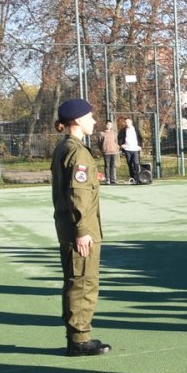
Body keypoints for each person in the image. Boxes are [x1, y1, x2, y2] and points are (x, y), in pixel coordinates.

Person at [50, 98, 110, 356]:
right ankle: (79, 340)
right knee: (83, 283)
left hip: (69, 227)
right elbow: (79, 195)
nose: (94, 121)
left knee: (75, 281)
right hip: (79, 230)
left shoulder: (64, 147)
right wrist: (83, 231)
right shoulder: (77, 152)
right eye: (89, 117)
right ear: (76, 120)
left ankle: (76, 337)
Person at [119, 117, 143, 183]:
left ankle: (138, 178)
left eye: (128, 122)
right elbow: (119, 138)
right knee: (130, 164)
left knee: (136, 163)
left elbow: (140, 138)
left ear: (131, 122)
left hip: (135, 149)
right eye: (126, 122)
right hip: (127, 149)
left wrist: (140, 146)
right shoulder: (123, 130)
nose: (127, 123)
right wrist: (121, 145)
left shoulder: (135, 129)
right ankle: (132, 178)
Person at [98, 120, 120, 184]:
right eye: (107, 124)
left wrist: (116, 148)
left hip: (114, 152)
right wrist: (103, 149)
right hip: (106, 152)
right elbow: (99, 143)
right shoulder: (102, 133)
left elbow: (116, 142)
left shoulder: (114, 133)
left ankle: (113, 179)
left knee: (113, 166)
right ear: (105, 125)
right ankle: (107, 179)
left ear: (111, 126)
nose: (109, 126)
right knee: (107, 166)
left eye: (110, 124)